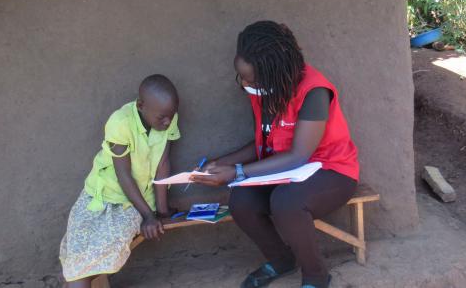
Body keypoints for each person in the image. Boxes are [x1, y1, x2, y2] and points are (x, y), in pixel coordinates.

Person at [192, 21, 359, 288]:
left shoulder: (314, 91)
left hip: (331, 172)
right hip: (287, 171)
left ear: (274, 71)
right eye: (242, 77)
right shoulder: (263, 90)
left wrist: (237, 171)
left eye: (251, 79)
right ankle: (281, 260)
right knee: (241, 201)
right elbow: (263, 140)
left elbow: (298, 156)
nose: (245, 84)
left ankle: (316, 276)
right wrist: (222, 162)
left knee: (286, 203)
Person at [59, 74, 181, 287]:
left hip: (132, 203)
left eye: (171, 115)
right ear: (141, 106)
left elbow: (163, 164)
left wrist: (161, 212)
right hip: (100, 194)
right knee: (78, 249)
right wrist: (148, 216)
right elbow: (123, 174)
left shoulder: (167, 118)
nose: (168, 121)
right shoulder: (120, 123)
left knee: (104, 248)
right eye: (162, 117)